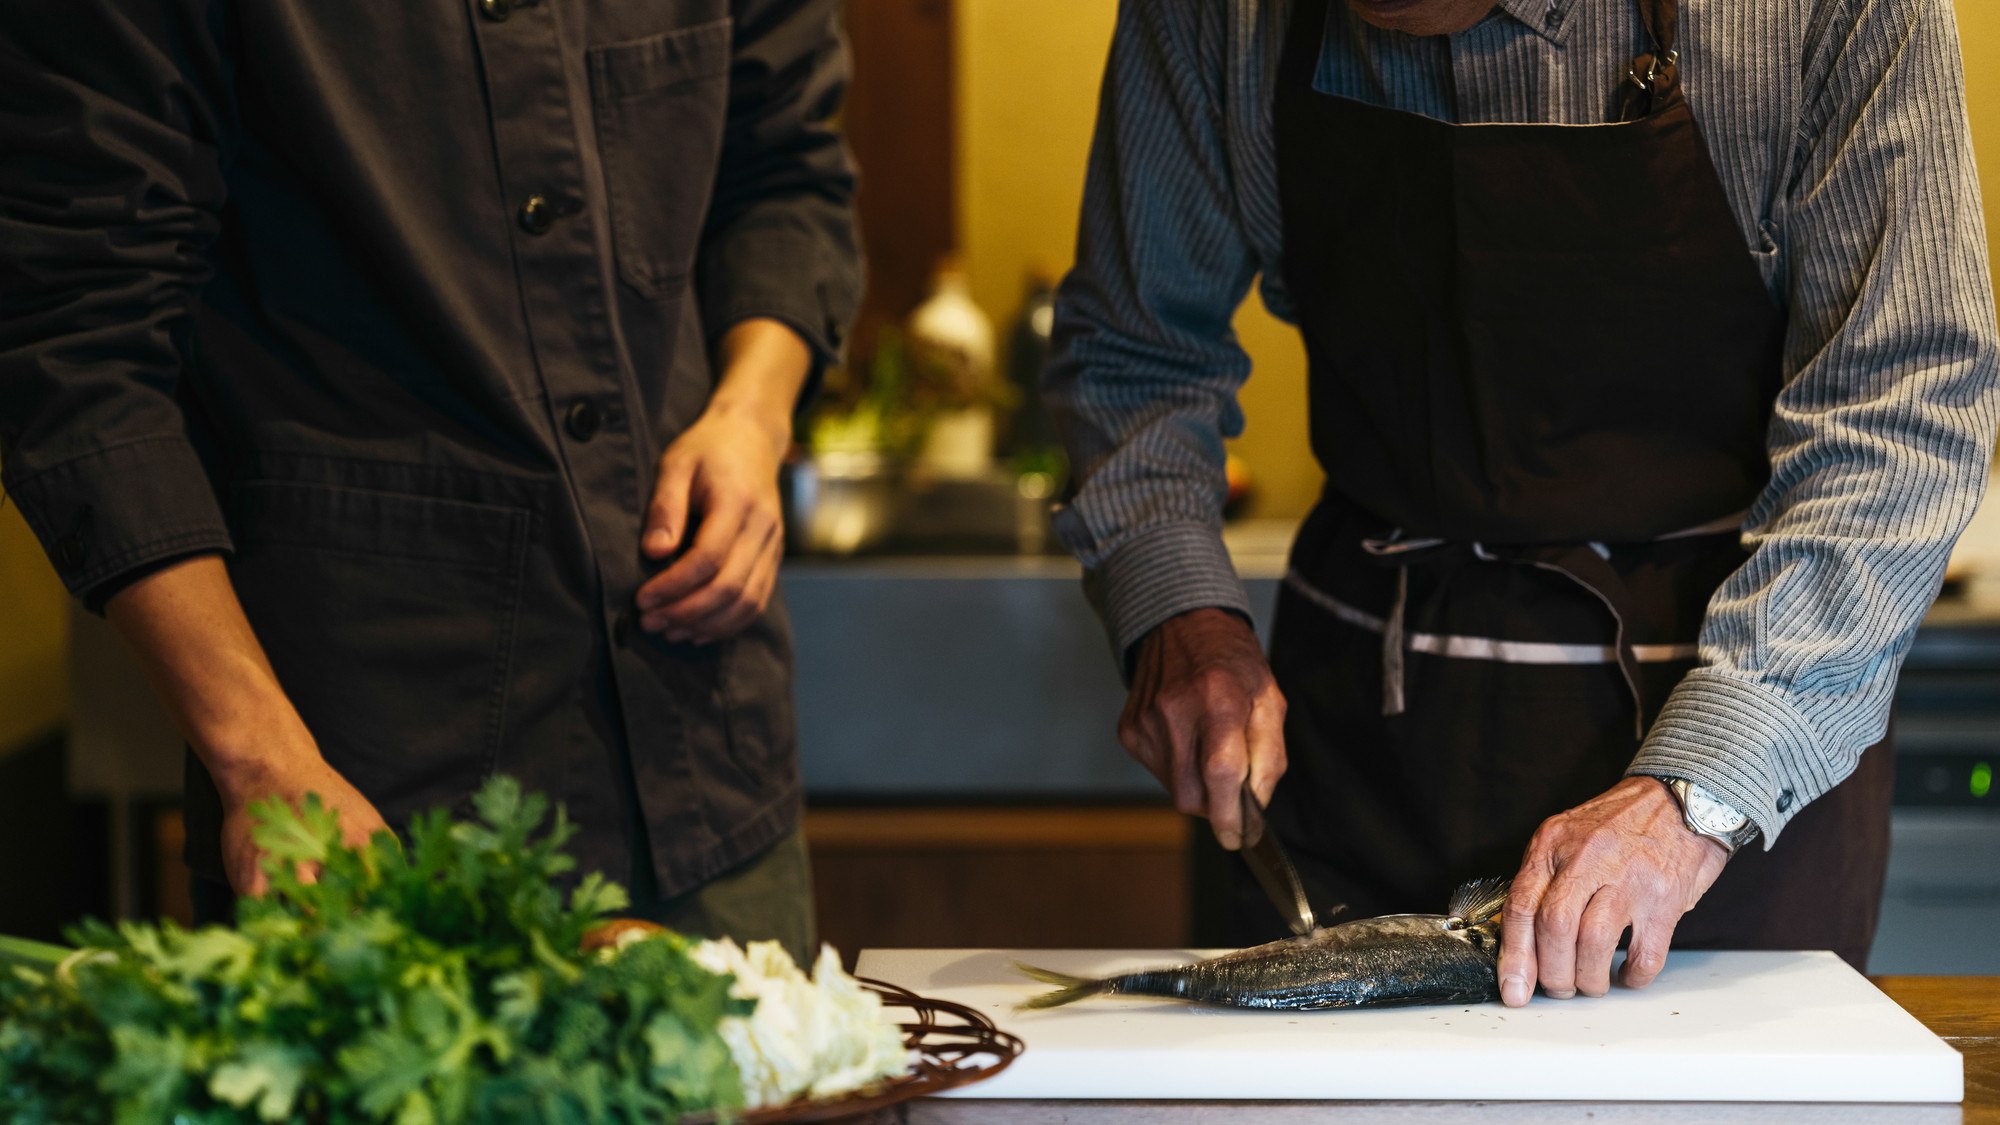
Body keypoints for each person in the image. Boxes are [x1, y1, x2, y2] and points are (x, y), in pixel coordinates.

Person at [1047, 0, 1999, 1005]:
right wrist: (1178, 616)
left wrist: (1696, 792)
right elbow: (1135, 356)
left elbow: (1903, 404)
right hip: (1352, 762)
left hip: (1728, 776)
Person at [0, 0, 859, 964]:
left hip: (707, 759)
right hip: (359, 800)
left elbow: (787, 170)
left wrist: (752, 412)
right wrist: (257, 756)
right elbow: (75, 346)